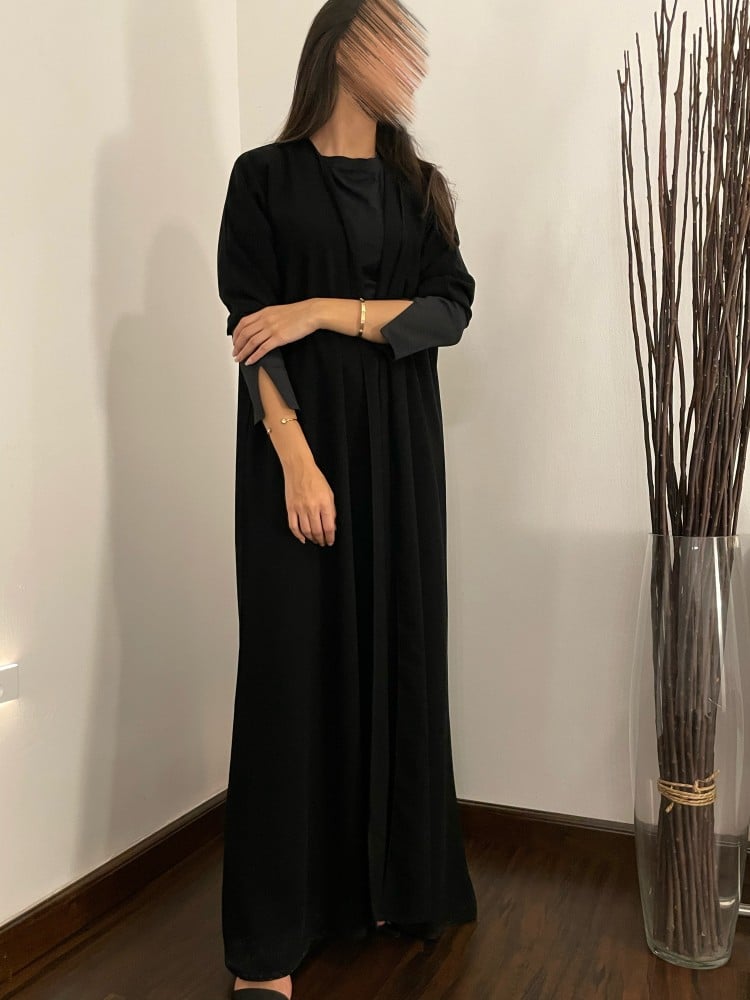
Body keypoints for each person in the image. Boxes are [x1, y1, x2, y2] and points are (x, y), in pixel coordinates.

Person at [217, 1, 477, 996]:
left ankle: (388, 888)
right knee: (290, 676)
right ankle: (268, 947)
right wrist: (295, 457)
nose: (413, 64)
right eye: (394, 41)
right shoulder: (263, 177)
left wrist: (323, 309)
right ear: (340, 46)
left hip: (402, 459)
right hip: (298, 453)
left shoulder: (418, 189)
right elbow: (252, 330)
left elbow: (450, 308)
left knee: (395, 654)